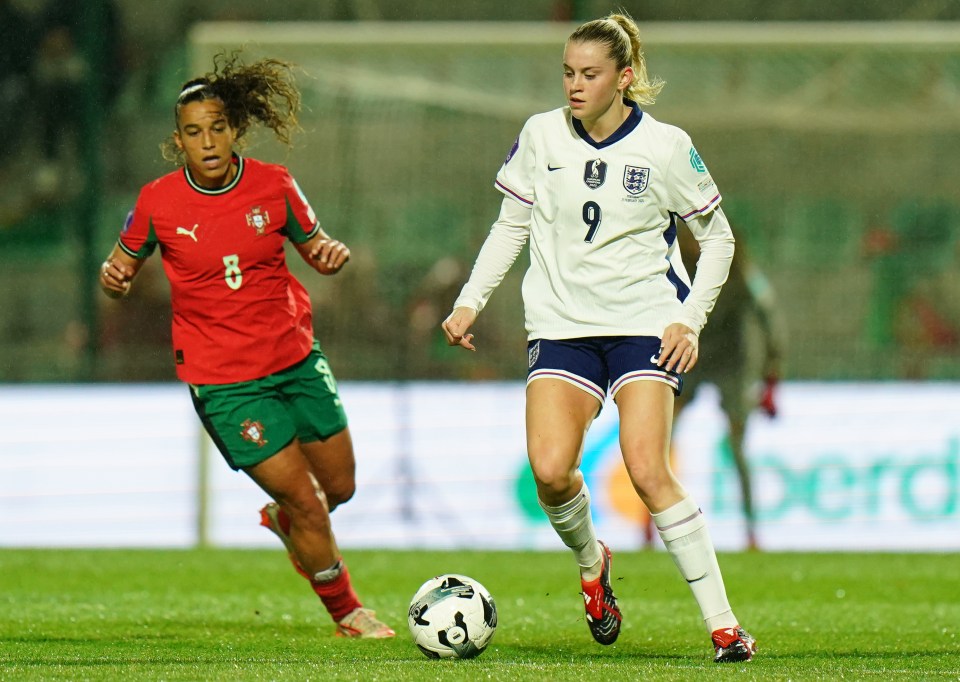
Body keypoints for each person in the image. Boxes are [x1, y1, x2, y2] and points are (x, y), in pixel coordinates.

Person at [441, 13, 756, 663]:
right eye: (567, 73)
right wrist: (470, 302)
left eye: (589, 74)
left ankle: (725, 628)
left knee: (646, 467)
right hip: (561, 325)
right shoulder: (541, 134)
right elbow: (510, 225)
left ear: (624, 77)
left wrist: (687, 320)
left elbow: (719, 238)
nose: (574, 87)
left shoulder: (665, 148)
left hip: (644, 322)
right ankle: (593, 561)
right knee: (552, 472)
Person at [98, 53, 394, 639]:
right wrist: (115, 276)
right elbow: (121, 263)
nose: (206, 142)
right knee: (309, 501)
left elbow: (316, 245)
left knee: (339, 488)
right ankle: (348, 613)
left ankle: (285, 523)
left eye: (216, 128)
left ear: (234, 130)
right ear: (177, 140)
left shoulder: (275, 185)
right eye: (192, 132)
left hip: (296, 360)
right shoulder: (157, 202)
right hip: (225, 382)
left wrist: (331, 257)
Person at [673, 227, 785, 550]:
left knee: (737, 449)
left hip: (731, 366)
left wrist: (771, 374)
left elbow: (770, 319)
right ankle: (650, 528)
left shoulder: (742, 273)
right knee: (660, 443)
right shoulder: (679, 268)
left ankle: (750, 531)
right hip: (690, 359)